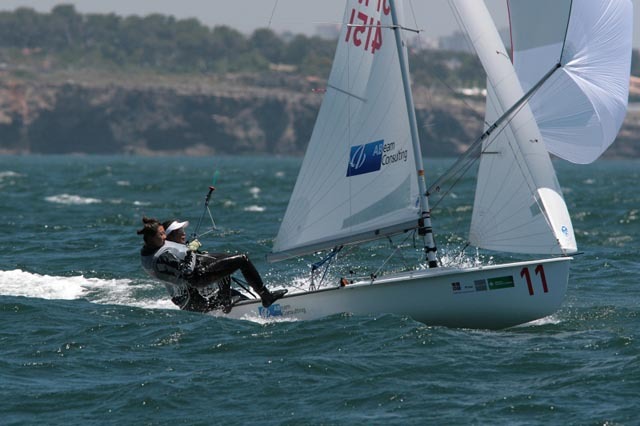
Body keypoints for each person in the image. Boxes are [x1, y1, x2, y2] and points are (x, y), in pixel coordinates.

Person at [137, 216, 286, 313]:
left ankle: (226, 299)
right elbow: (187, 272)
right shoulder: (165, 255)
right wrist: (190, 251)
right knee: (242, 259)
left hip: (190, 298)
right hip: (196, 289)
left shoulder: (152, 251)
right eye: (161, 235)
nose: (164, 238)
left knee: (223, 260)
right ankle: (265, 297)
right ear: (152, 238)